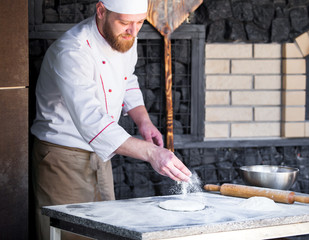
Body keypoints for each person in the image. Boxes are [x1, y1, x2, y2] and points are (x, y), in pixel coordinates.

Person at [31, 0, 192, 239]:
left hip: (101, 155)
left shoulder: (126, 35)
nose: (134, 31)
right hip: (61, 158)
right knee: (69, 233)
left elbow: (127, 79)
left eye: (140, 22)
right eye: (125, 22)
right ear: (101, 11)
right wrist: (152, 153)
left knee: (105, 230)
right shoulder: (71, 51)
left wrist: (143, 121)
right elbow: (91, 122)